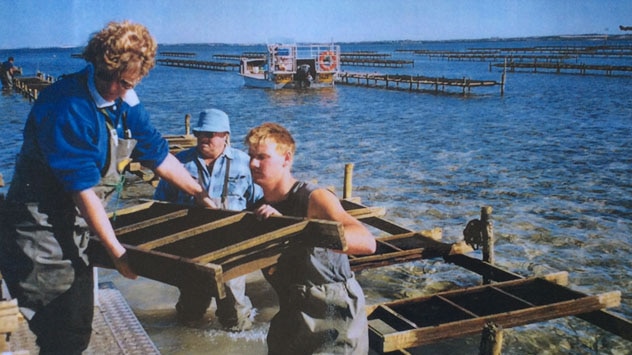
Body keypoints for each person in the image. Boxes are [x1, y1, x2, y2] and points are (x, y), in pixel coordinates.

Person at [0, 21, 215, 354]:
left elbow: (156, 152)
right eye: (116, 79)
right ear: (101, 66)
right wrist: (117, 252)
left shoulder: (124, 99)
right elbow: (82, 189)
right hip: (40, 234)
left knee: (77, 326)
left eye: (130, 81)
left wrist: (201, 194)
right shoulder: (66, 106)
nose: (121, 88)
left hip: (79, 226)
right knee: (62, 331)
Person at [244, 122, 377, 354]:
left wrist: (292, 229)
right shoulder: (258, 207)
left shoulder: (314, 198)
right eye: (251, 156)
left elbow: (367, 242)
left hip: (334, 314)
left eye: (262, 157)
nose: (253, 163)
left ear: (286, 159)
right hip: (292, 312)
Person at [154, 108, 262, 331]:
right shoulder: (179, 163)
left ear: (226, 136)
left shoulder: (245, 163)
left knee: (235, 313)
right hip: (192, 248)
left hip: (233, 246)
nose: (204, 138)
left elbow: (258, 200)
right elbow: (160, 205)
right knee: (190, 311)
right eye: (200, 133)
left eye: (211, 134)